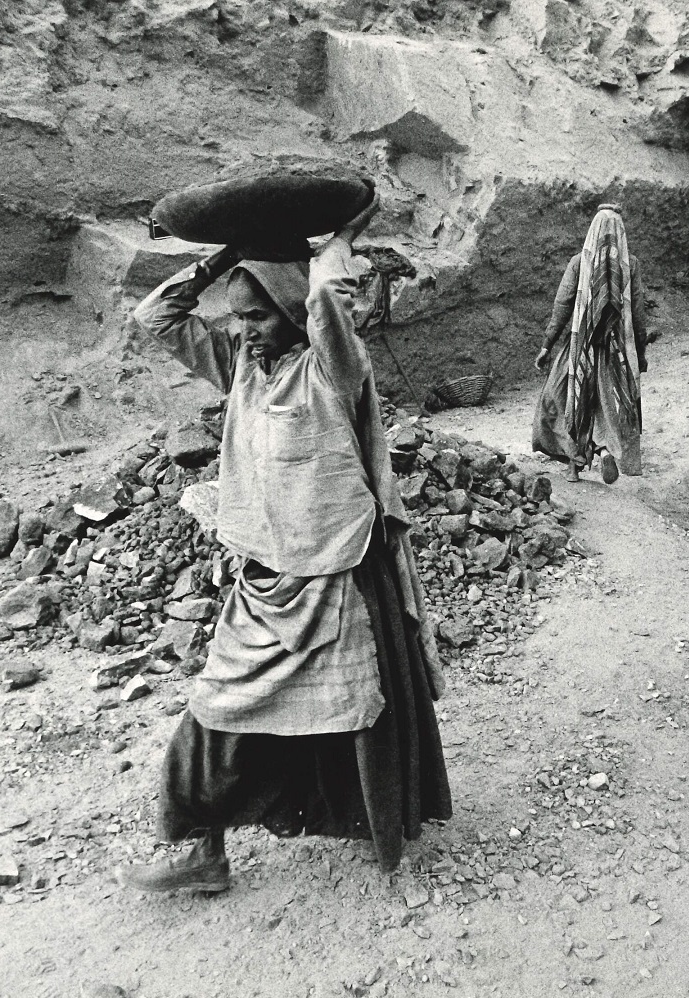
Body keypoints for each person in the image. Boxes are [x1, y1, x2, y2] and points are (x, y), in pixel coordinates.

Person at [115, 188, 451, 893]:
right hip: (261, 586)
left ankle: (376, 828)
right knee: (217, 709)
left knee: (360, 712)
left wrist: (336, 244)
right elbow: (155, 318)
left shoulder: (331, 371)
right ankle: (197, 847)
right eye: (238, 320)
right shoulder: (241, 373)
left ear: (295, 309)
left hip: (334, 578)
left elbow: (331, 302)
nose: (246, 332)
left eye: (260, 315)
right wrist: (222, 263)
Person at [531, 204, 649, 484]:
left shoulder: (578, 262)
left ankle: (573, 465)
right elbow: (639, 314)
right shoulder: (630, 265)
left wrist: (547, 345)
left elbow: (562, 305)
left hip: (579, 348)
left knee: (566, 398)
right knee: (607, 404)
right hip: (615, 352)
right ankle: (606, 450)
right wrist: (640, 355)